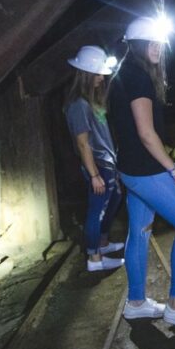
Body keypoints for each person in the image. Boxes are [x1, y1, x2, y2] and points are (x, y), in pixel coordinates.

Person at [108, 15, 175, 330]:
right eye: (152, 43)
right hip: (147, 170)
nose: (157, 48)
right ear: (138, 45)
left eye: (159, 43)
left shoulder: (122, 74)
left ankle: (136, 303)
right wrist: (174, 169)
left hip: (129, 169)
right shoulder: (138, 78)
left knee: (139, 231)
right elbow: (146, 133)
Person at [64, 45, 125, 272]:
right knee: (96, 210)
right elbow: (82, 143)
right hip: (97, 165)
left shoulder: (90, 101)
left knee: (114, 199)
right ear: (86, 74)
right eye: (98, 74)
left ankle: (102, 244)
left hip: (106, 162)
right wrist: (94, 175)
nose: (101, 78)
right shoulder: (78, 105)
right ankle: (94, 259)